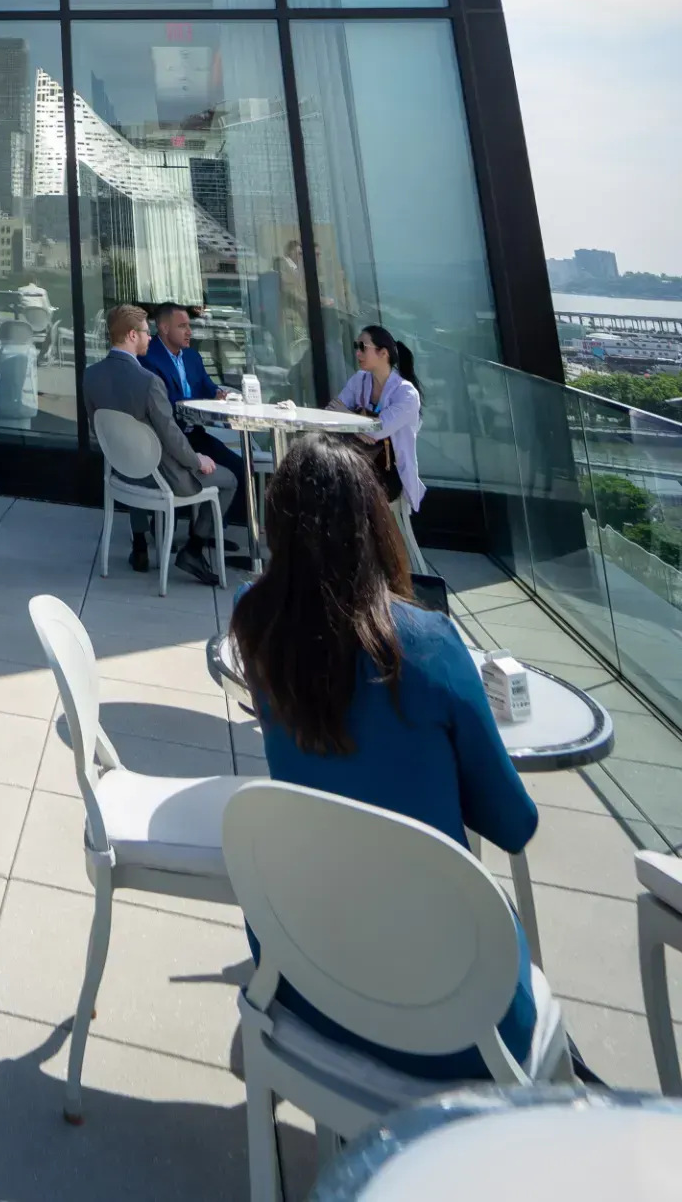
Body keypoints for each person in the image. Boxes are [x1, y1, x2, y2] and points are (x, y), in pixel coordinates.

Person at [229, 433, 538, 1079]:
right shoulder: (426, 646)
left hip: (302, 975)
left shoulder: (253, 624)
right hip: (454, 1015)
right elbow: (513, 824)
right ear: (376, 524)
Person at [83, 301, 220, 583]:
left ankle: (140, 545)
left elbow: (97, 426)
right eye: (146, 332)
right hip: (158, 477)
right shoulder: (148, 381)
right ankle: (193, 550)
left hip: (120, 472)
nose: (149, 337)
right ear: (132, 335)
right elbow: (171, 435)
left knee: (135, 458)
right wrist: (197, 461)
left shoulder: (90, 375)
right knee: (227, 479)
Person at [144, 300, 250, 560]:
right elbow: (161, 406)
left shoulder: (192, 356)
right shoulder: (149, 358)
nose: (189, 331)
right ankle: (161, 527)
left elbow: (205, 386)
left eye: (189, 326)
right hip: (169, 438)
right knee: (188, 474)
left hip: (194, 434)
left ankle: (209, 530)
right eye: (182, 326)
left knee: (238, 467)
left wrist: (218, 393)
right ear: (164, 328)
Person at [333, 322, 425, 519]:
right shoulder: (360, 380)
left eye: (362, 347)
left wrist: (352, 420)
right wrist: (360, 426)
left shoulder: (406, 393)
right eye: (356, 347)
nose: (357, 353)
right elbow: (333, 410)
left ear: (383, 353)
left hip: (388, 473)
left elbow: (376, 431)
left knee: (339, 491)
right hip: (357, 462)